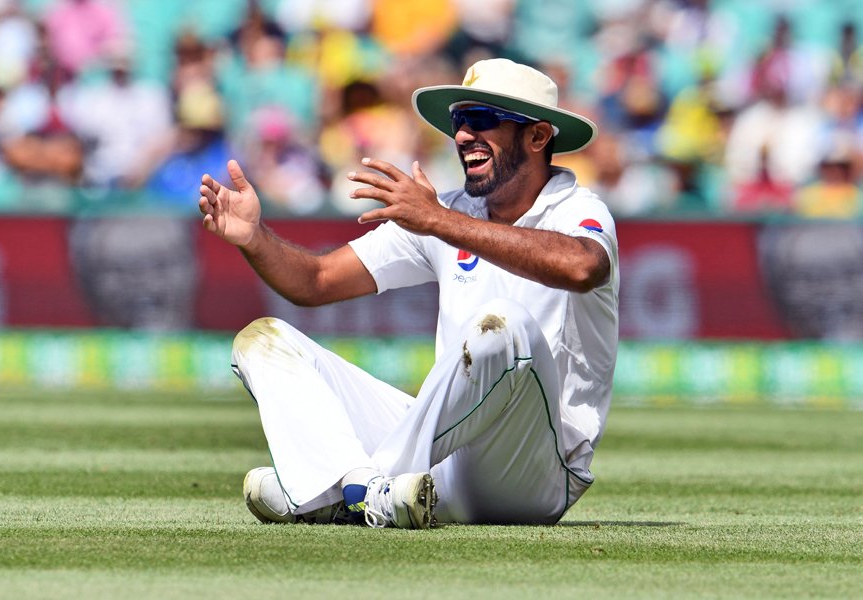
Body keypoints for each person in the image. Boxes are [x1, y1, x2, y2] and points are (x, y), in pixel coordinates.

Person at [198, 58, 620, 528]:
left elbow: (583, 267)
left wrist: (439, 220)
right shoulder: (450, 213)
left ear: (538, 137)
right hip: (441, 462)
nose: (461, 136)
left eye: (480, 120)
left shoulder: (578, 209)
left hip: (536, 471)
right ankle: (362, 484)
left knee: (505, 323)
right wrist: (255, 238)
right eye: (459, 122)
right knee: (263, 341)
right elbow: (314, 281)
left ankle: (338, 488)